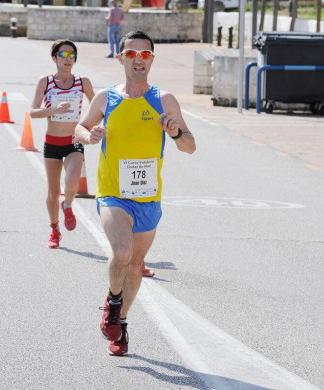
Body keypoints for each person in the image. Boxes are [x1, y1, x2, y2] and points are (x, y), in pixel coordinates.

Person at [75, 30, 196, 356]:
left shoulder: (164, 100)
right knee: (123, 252)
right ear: (121, 58)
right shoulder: (106, 97)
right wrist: (89, 136)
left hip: (148, 198)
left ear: (152, 59)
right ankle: (113, 302)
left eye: (145, 55)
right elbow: (80, 126)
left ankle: (121, 322)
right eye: (132, 54)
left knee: (135, 265)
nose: (138, 60)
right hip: (113, 193)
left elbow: (190, 146)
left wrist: (176, 132)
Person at [30, 40, 95, 249]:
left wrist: (90, 127)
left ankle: (67, 205)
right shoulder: (45, 82)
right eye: (63, 55)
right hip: (52, 142)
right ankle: (54, 229)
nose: (68, 59)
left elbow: (97, 107)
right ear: (54, 58)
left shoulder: (83, 82)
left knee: (72, 184)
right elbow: (33, 111)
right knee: (52, 191)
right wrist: (53, 110)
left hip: (74, 141)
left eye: (72, 55)